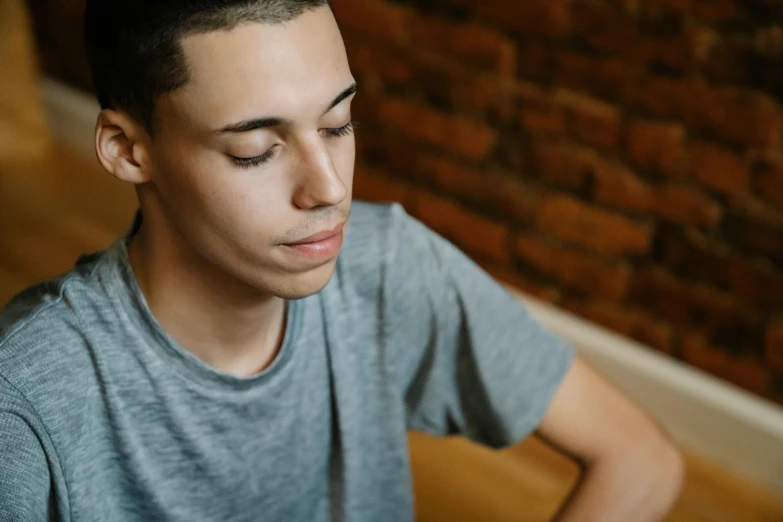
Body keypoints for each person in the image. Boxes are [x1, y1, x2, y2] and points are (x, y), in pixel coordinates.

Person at [0, 1, 684, 520]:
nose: (328, 188)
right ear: (126, 149)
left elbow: (639, 457)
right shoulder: (27, 396)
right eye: (256, 151)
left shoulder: (383, 265)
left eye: (337, 125)